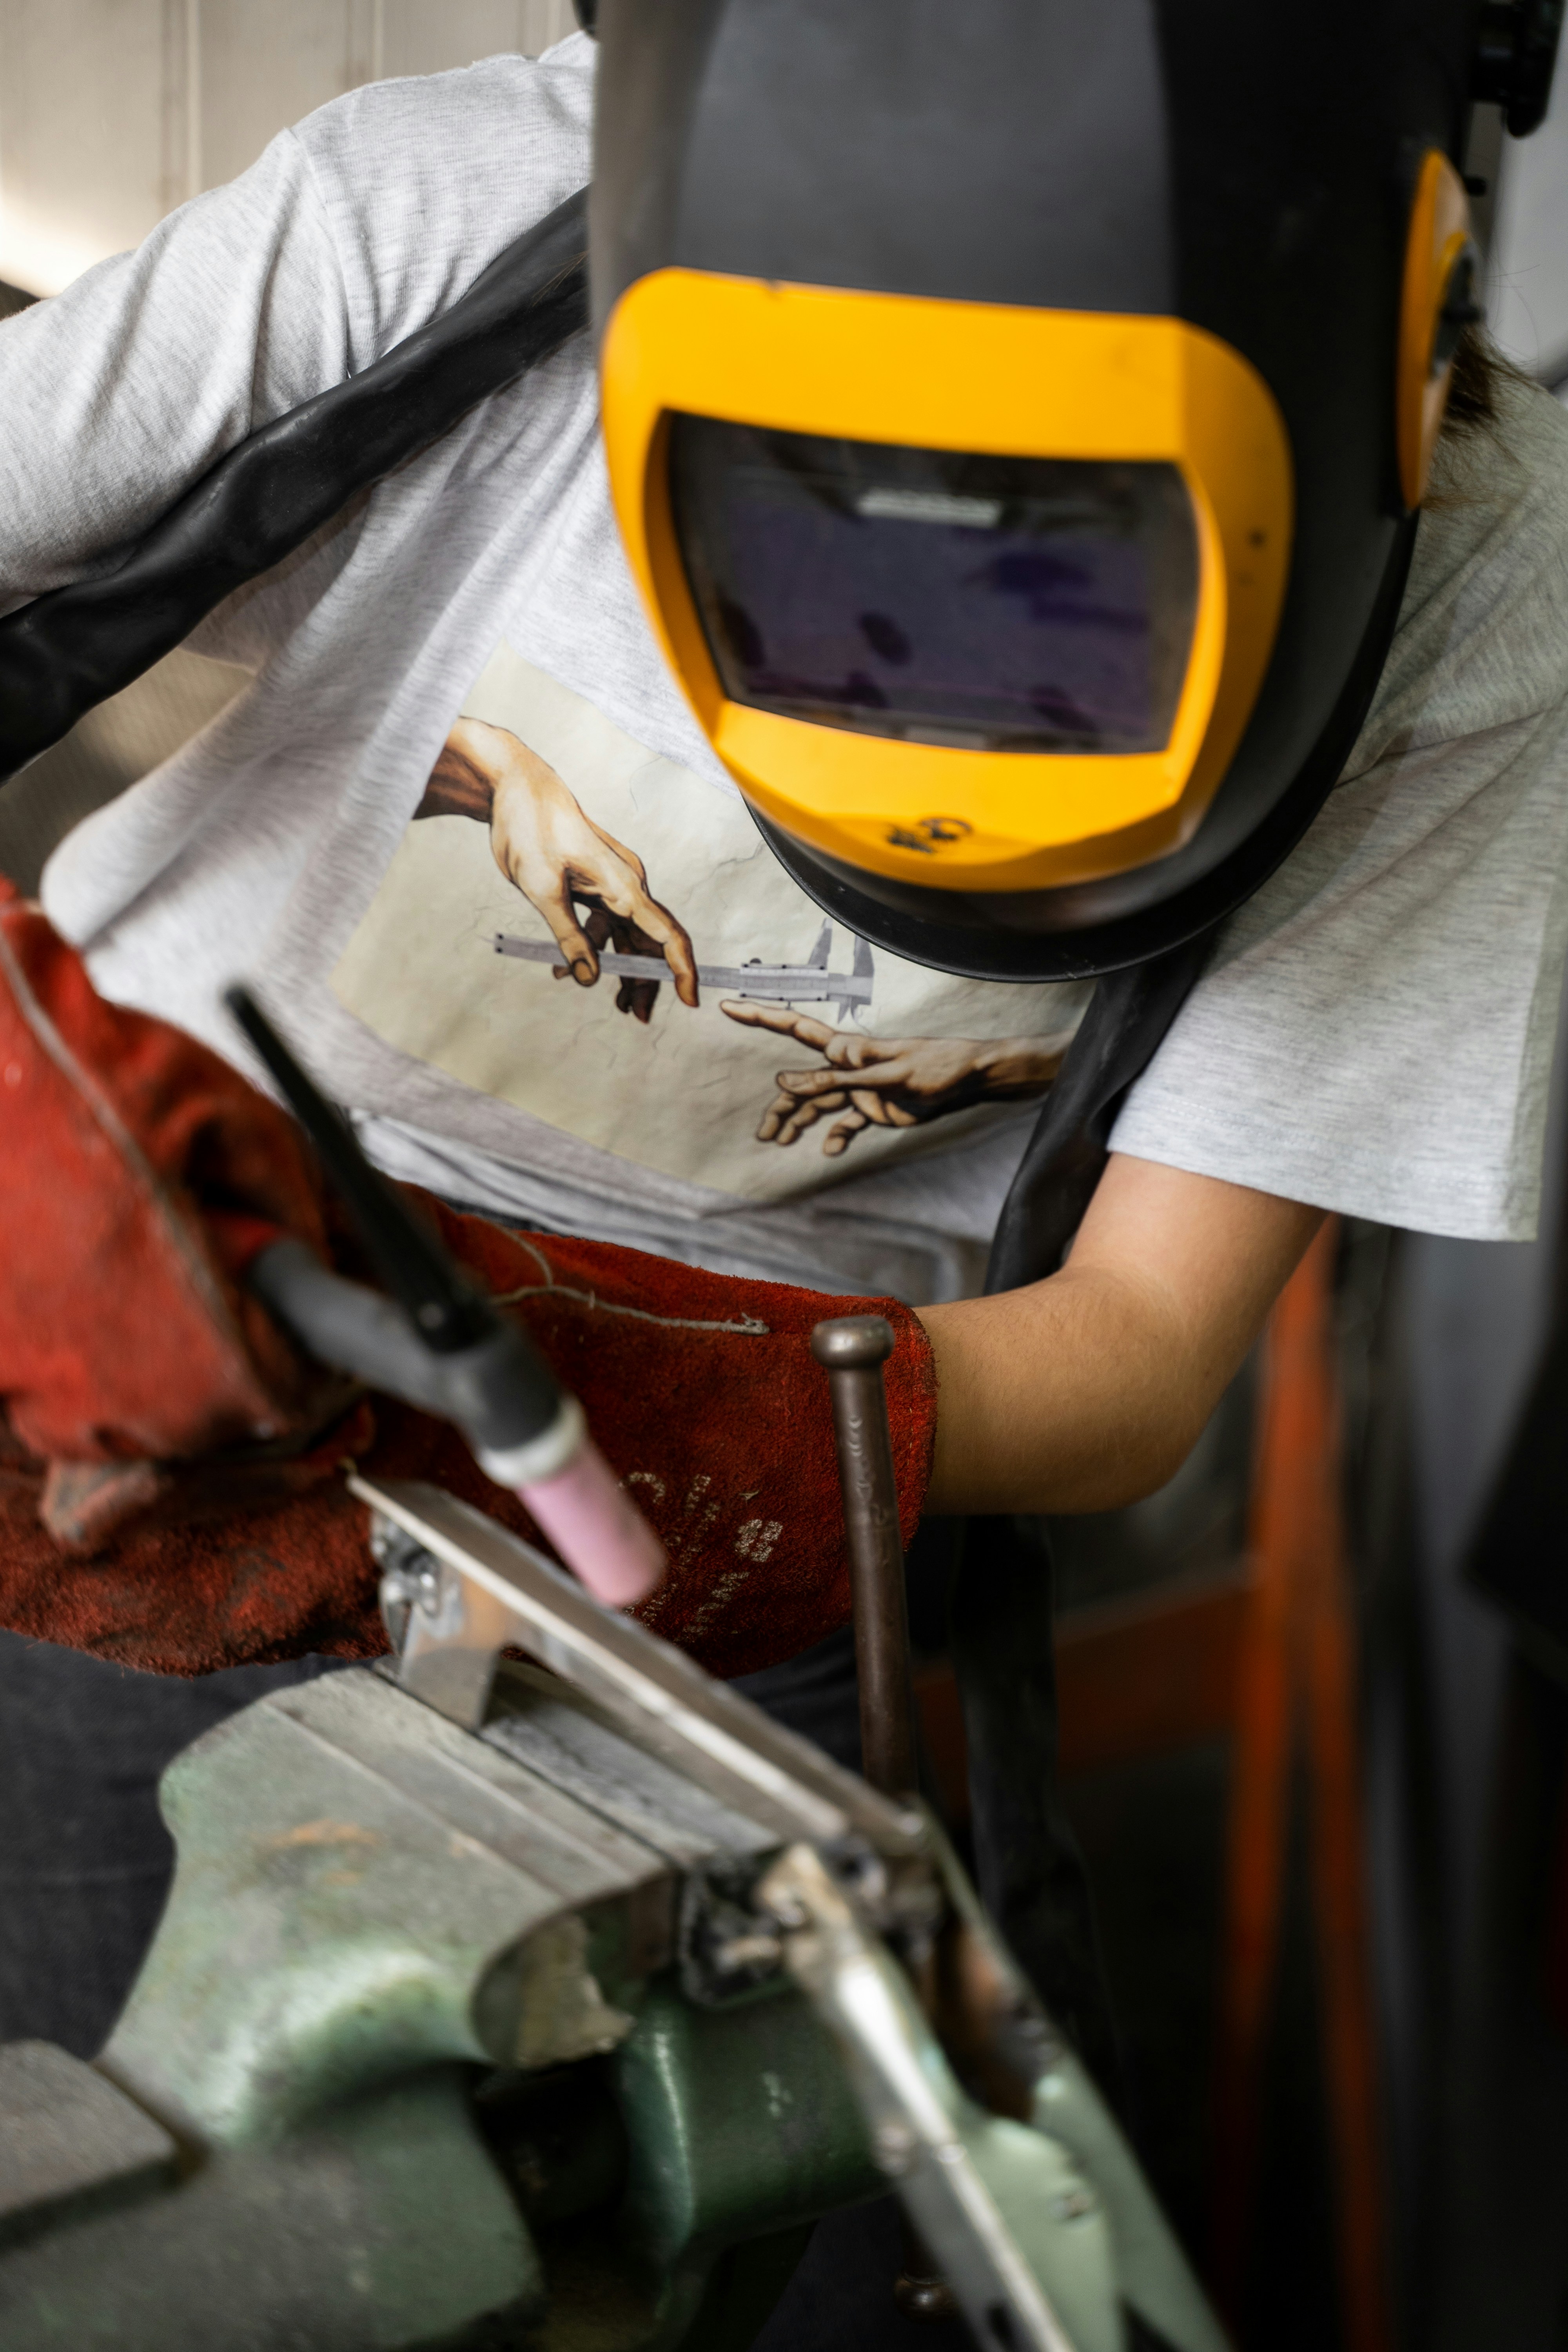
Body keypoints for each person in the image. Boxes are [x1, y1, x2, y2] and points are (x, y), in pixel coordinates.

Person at [1, 26, 1566, 2337]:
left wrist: (663, 1410)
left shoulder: (1481, 596)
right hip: (126, 1410)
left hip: (767, 1573)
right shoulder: (476, 223)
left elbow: (1136, 1364)